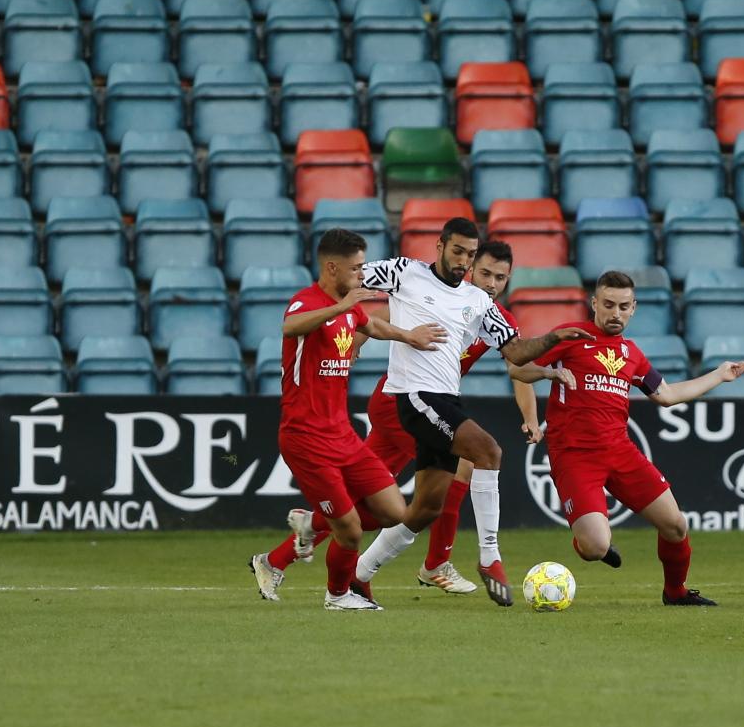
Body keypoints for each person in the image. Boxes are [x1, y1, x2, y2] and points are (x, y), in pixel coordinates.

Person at [295, 217, 587, 607]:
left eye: (469, 254)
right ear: (440, 246)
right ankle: (490, 557)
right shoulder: (405, 272)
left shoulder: (478, 302)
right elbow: (350, 278)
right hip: (413, 395)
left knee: (424, 509)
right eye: (458, 251)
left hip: (446, 399)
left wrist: (552, 339)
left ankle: (360, 575)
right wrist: (343, 324)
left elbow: (516, 354)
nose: (463, 261)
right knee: (488, 451)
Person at [508, 270, 744, 606]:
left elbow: (665, 394)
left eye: (623, 306)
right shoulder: (569, 337)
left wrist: (719, 376)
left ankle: (675, 592)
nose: (615, 313)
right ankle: (592, 542)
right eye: (608, 304)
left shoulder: (631, 353)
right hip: (575, 456)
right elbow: (518, 369)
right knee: (594, 548)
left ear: (634, 308)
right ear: (594, 303)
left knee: (676, 525)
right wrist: (549, 374)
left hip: (620, 452)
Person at [248, 228, 446, 612]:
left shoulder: (349, 306)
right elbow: (290, 327)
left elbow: (372, 326)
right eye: (356, 268)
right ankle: (338, 595)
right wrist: (343, 307)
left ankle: (310, 525)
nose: (362, 274)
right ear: (332, 266)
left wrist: (410, 336)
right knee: (351, 531)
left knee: (394, 512)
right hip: (305, 436)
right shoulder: (306, 302)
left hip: (342, 433)